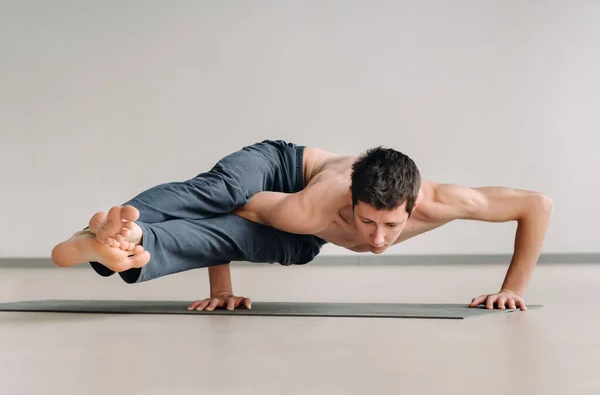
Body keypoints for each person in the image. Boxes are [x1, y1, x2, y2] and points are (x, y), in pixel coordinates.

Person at [51, 139, 553, 312]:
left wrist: (512, 288)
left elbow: (537, 205)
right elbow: (226, 219)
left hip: (304, 230)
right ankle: (108, 233)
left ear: (413, 206)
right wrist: (221, 287)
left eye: (390, 226)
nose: (377, 239)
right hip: (275, 169)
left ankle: (129, 244)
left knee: (299, 250)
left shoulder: (445, 201)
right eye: (366, 222)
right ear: (350, 202)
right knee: (220, 194)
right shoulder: (309, 208)